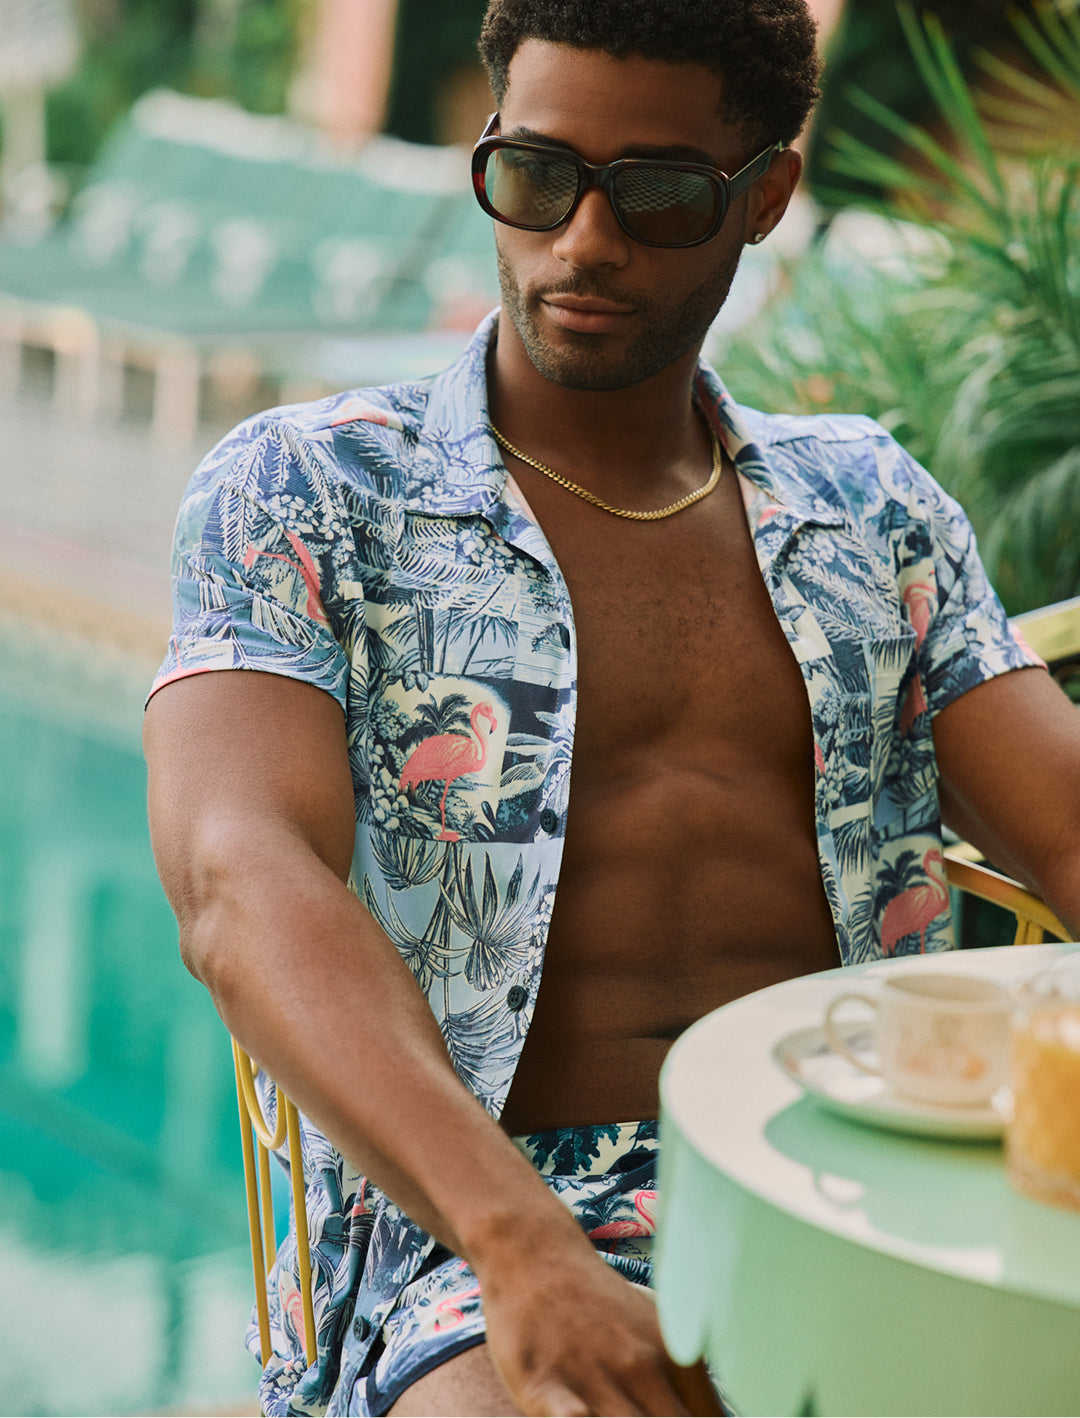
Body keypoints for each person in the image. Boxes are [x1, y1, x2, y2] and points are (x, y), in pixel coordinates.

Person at [143, 1, 1080, 1414]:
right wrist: (522, 1246)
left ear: (764, 194)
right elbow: (237, 879)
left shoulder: (872, 509)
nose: (582, 242)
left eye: (654, 195)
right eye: (535, 177)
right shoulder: (313, 491)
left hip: (852, 1182)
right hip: (467, 1217)